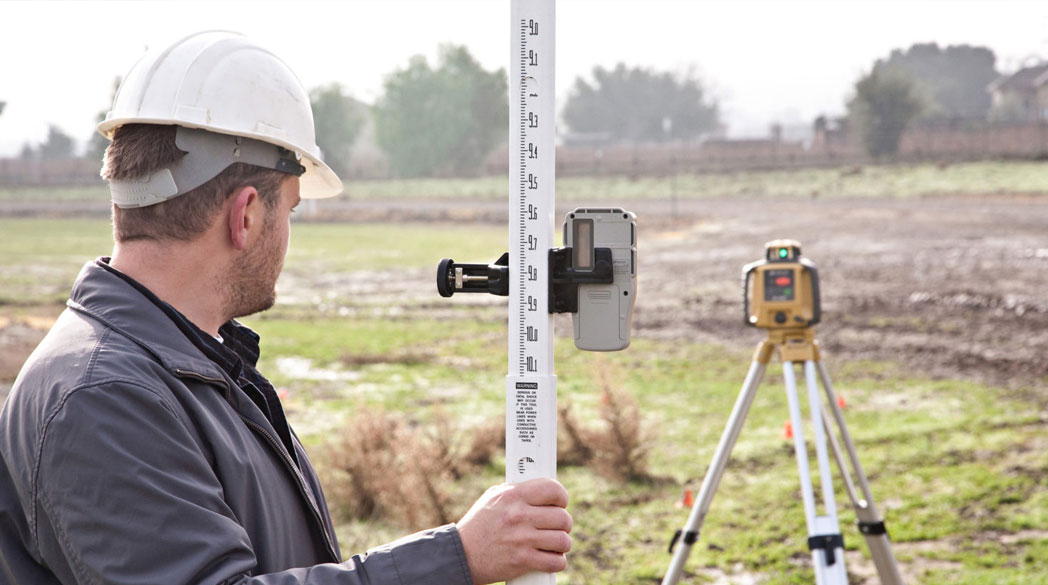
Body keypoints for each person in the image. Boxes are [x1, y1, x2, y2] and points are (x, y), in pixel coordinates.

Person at [0, 31, 571, 585]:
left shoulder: (189, 364)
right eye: (291, 210)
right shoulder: (105, 397)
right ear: (246, 215)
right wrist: (454, 558)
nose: (289, 232)